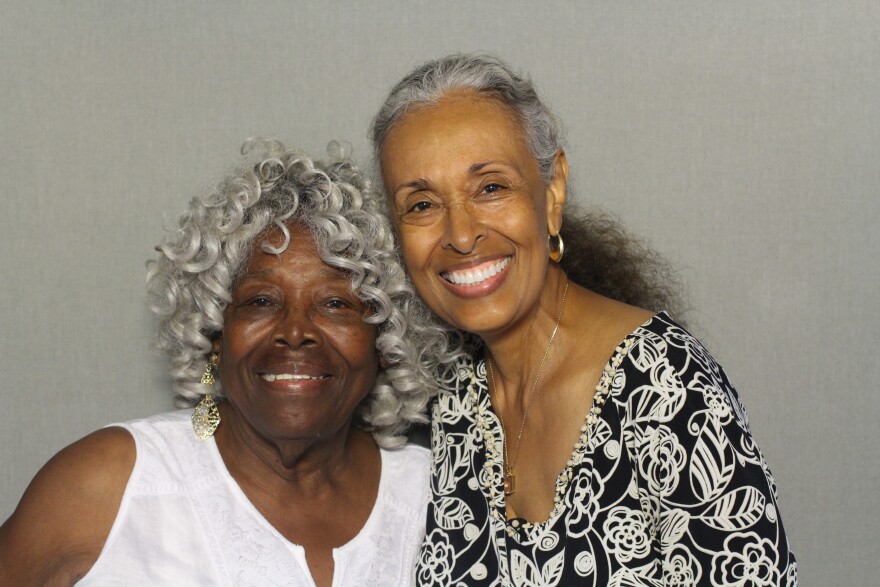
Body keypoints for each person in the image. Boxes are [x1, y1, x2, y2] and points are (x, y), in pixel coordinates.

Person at [371, 53, 797, 585]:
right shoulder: (452, 400)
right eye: (421, 205)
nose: (460, 234)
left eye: (491, 187)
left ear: (552, 193)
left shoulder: (664, 387)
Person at [0, 140, 452, 586]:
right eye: (261, 301)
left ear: (386, 338)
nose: (296, 332)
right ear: (216, 332)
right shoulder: (109, 483)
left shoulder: (440, 495)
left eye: (336, 304)